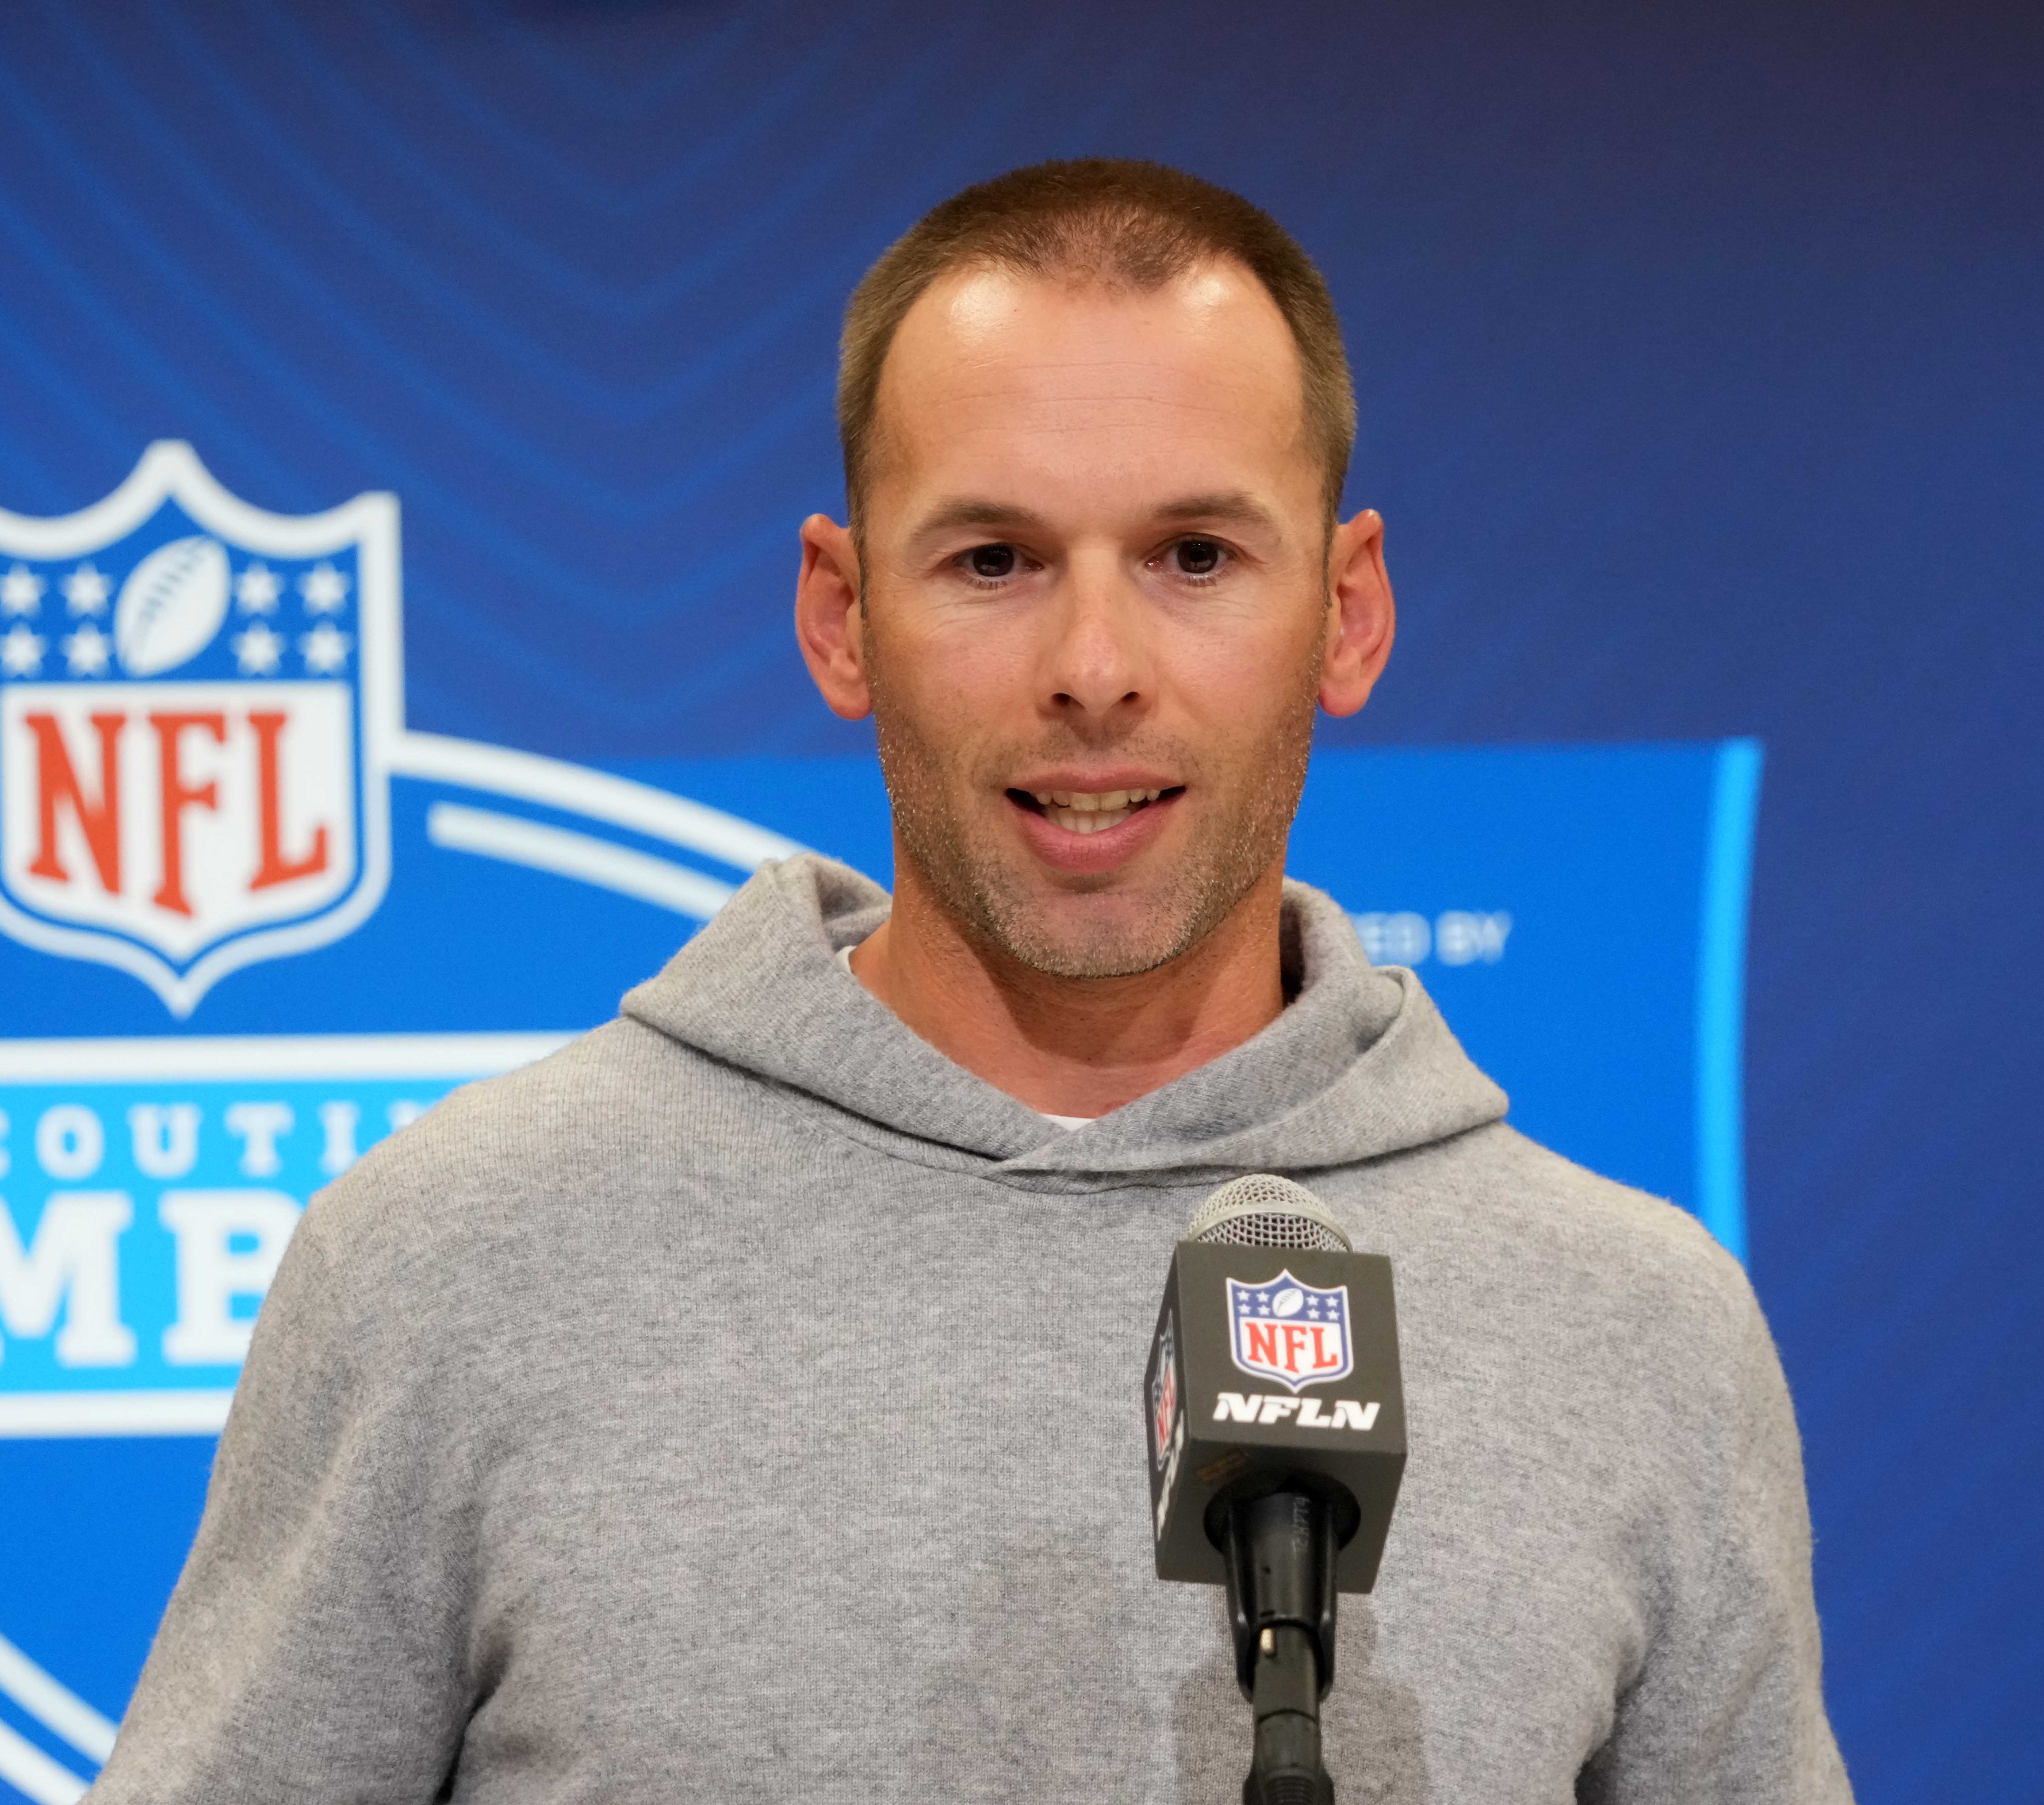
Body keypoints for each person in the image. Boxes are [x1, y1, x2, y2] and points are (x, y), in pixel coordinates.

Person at [89, 159, 1847, 1803]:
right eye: (994, 559)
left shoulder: (1638, 1327)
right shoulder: (449, 1262)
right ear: (842, 616)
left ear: (1348, 609)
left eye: (1194, 557)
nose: (1093, 667)